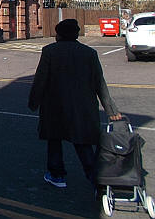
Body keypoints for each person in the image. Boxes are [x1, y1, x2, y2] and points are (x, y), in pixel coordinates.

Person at [28, 18, 122, 188]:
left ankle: (57, 176)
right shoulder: (89, 53)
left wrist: (34, 102)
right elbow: (99, 83)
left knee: (54, 140)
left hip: (54, 106)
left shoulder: (50, 51)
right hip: (82, 107)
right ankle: (95, 177)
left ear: (59, 34)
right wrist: (111, 110)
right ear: (76, 34)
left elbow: (41, 80)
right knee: (82, 143)